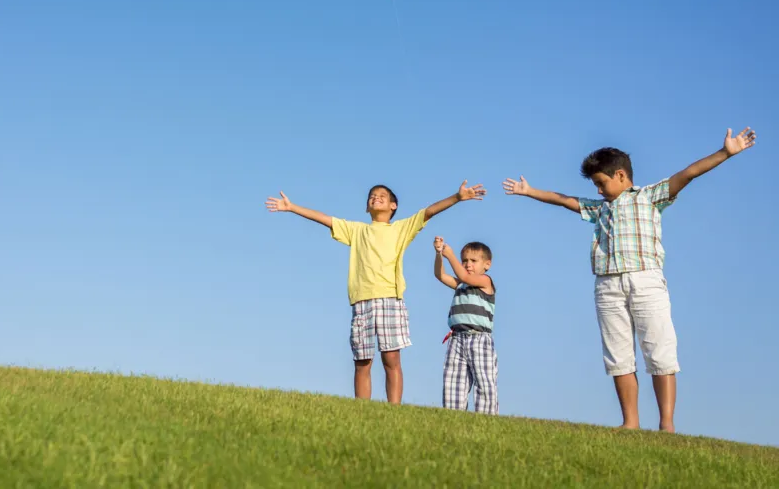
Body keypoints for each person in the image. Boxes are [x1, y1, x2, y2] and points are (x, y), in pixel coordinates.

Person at [502, 127, 757, 432]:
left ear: (621, 175)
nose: (597, 190)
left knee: (659, 350)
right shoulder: (600, 208)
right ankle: (630, 423)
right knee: (618, 355)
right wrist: (530, 191)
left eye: (601, 183)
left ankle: (666, 425)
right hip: (607, 285)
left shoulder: (650, 196)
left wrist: (725, 152)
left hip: (646, 281)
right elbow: (566, 200)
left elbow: (688, 174)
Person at [265, 181, 486, 404]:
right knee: (362, 361)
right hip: (362, 302)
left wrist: (457, 197)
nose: (375, 197)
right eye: (371, 196)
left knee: (391, 358)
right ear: (366, 207)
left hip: (391, 299)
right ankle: (363, 409)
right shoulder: (357, 230)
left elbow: (429, 211)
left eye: (382, 195)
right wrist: (292, 207)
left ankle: (394, 409)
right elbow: (324, 219)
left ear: (393, 205)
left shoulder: (401, 228)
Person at [433, 236, 498, 414]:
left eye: (473, 261)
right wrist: (439, 255)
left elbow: (462, 275)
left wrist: (451, 255)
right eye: (465, 261)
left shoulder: (486, 281)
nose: (468, 264)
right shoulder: (461, 284)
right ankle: (453, 417)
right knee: (454, 381)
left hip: (479, 339)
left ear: (487, 264)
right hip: (457, 338)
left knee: (484, 382)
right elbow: (440, 275)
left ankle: (487, 419)